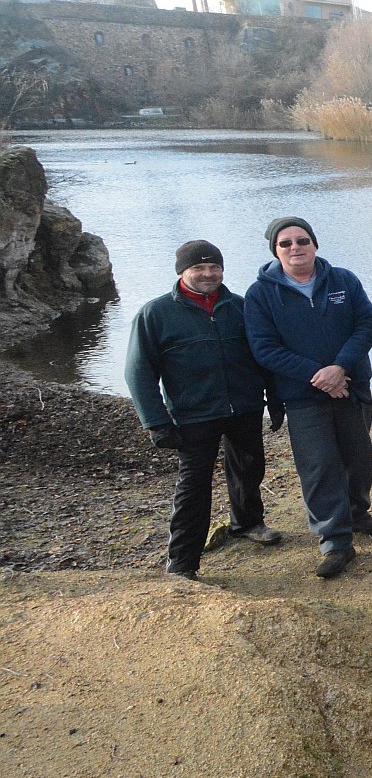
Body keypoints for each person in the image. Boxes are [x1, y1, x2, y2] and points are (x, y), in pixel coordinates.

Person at [126, 240, 282, 580]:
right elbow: (138, 371)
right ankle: (183, 561)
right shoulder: (156, 314)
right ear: (183, 271)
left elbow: (265, 356)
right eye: (199, 268)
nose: (208, 274)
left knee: (249, 467)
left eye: (214, 267)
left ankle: (248, 523)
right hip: (193, 414)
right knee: (193, 486)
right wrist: (155, 421)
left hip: (244, 406)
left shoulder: (241, 307)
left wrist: (275, 398)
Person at [245, 217, 372, 580]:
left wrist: (339, 367)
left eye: (302, 240)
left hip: (351, 385)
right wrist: (320, 376)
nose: (296, 248)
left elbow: (366, 324)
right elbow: (265, 349)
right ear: (275, 250)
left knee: (358, 453)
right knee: (319, 465)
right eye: (286, 243)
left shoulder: (343, 280)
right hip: (303, 395)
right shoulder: (261, 294)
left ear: (315, 245)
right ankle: (335, 541)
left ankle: (357, 512)